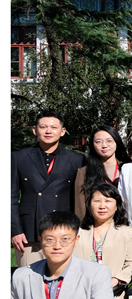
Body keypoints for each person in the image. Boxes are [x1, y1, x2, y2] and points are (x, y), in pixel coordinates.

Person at [11, 110, 86, 266]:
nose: (48, 131)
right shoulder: (19, 157)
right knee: (30, 278)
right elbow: (10, 197)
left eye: (53, 127)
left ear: (62, 131)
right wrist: (15, 230)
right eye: (43, 127)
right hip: (29, 232)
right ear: (35, 130)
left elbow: (81, 198)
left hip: (64, 230)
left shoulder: (76, 159)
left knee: (63, 278)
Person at [77, 183, 132, 299]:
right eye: (97, 201)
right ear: (89, 205)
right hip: (79, 293)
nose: (102, 206)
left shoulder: (127, 233)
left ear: (117, 206)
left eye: (107, 201)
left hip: (113, 294)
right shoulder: (78, 232)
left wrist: (116, 280)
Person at [74, 125, 128, 220]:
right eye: (98, 142)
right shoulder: (84, 172)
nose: (104, 145)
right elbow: (80, 208)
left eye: (109, 141)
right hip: (96, 225)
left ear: (116, 142)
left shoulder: (128, 169)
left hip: (126, 223)